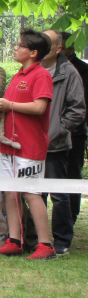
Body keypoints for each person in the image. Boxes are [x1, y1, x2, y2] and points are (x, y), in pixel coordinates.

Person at [0, 29, 56, 260]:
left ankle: (45, 245)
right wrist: (1, 113)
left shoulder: (41, 75)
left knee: (31, 193)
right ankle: (14, 240)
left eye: (20, 46)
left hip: (30, 147)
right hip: (9, 147)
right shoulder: (18, 75)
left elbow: (39, 107)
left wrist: (9, 105)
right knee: (11, 193)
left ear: (34, 52)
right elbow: (11, 106)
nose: (15, 49)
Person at [39, 29, 85, 256]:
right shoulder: (31, 67)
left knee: (58, 193)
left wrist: (58, 130)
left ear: (58, 48)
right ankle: (37, 238)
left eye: (47, 42)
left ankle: (62, 241)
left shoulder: (69, 72)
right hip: (31, 144)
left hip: (55, 145)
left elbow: (78, 109)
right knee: (34, 192)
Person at [60, 31, 88, 223]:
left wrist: (68, 126)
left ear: (72, 47)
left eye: (62, 46)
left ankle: (71, 215)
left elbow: (82, 105)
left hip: (75, 132)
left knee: (72, 174)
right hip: (53, 134)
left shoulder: (83, 71)